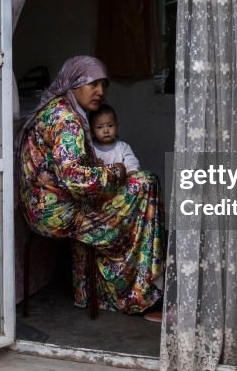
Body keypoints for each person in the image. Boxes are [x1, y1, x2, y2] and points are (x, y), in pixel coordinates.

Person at [17, 56, 163, 315]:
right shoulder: (67, 120)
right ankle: (134, 293)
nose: (100, 92)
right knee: (145, 185)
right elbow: (78, 180)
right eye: (93, 84)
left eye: (104, 85)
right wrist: (115, 172)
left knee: (137, 190)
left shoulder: (54, 108)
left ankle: (103, 291)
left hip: (40, 209)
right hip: (59, 214)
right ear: (74, 84)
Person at [89, 104, 140, 173]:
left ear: (117, 127)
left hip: (122, 182)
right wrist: (95, 166)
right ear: (92, 131)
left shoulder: (123, 147)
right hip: (100, 182)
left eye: (110, 125)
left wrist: (131, 171)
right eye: (99, 127)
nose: (106, 131)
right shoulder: (90, 149)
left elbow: (131, 162)